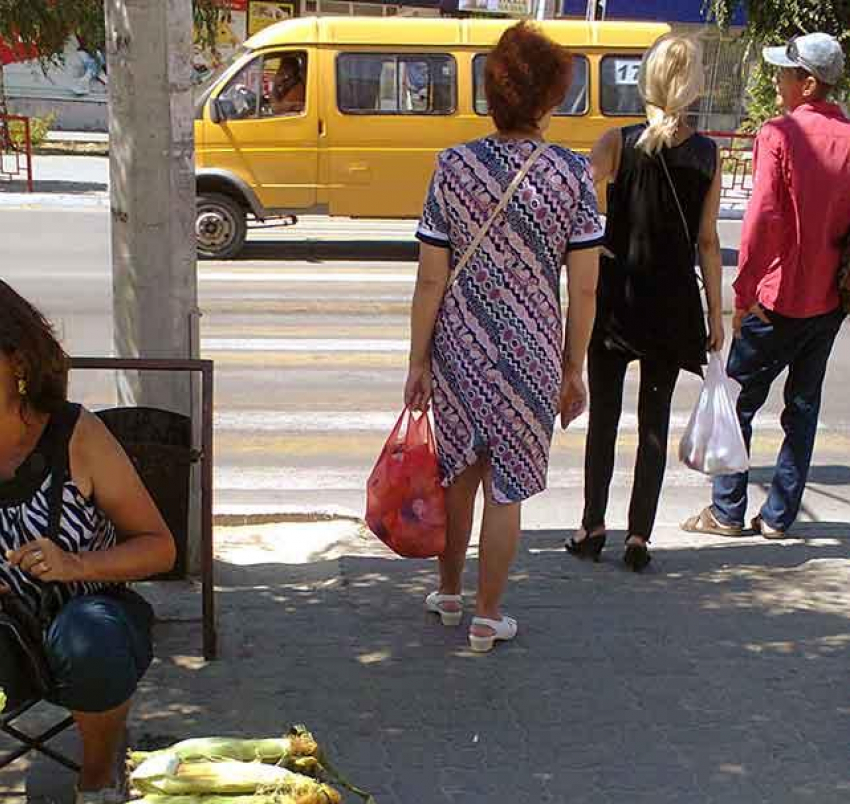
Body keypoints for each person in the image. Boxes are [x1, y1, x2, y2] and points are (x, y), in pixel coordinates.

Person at [405, 23, 602, 652]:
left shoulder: (453, 166)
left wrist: (417, 362)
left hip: (458, 347)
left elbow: (430, 279)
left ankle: (450, 594)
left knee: (456, 474)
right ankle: (488, 617)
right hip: (533, 352)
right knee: (508, 486)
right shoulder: (573, 176)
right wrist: (574, 368)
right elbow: (587, 290)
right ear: (550, 97)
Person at [0, 282, 176, 803]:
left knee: (89, 637)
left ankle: (97, 778)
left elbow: (159, 547)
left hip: (88, 620)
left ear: (18, 362)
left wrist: (74, 563)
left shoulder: (77, 435)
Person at [567, 34, 725, 572]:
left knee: (605, 420)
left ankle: (591, 528)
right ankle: (639, 538)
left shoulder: (616, 142)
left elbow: (581, 219)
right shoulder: (707, 154)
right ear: (693, 85)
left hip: (616, 299)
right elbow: (707, 240)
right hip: (672, 302)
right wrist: (717, 316)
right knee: (653, 421)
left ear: (648, 81)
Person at [683, 33, 850, 539]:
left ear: (808, 82)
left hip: (776, 297)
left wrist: (742, 293)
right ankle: (779, 516)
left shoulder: (779, 134)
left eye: (784, 73)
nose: (777, 81)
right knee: (803, 406)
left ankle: (728, 510)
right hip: (831, 298)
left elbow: (761, 221)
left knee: (738, 401)